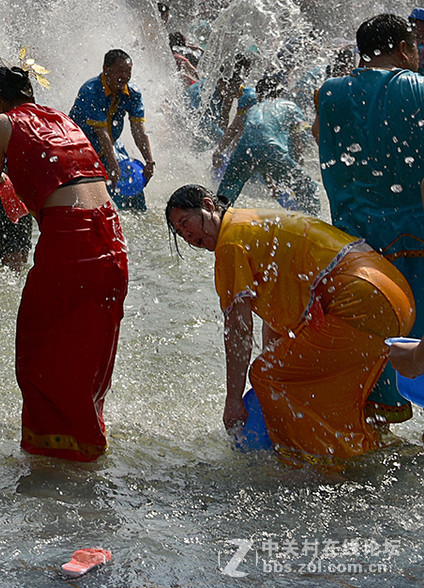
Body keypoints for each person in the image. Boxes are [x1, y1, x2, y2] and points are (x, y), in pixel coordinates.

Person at [166, 185, 414, 462]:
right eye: (180, 232)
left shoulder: (230, 244)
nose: (187, 236)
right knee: (305, 380)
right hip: (393, 295)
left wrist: (233, 400)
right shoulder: (248, 222)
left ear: (209, 206)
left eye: (186, 223)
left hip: (359, 302)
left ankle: (321, 465)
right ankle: (377, 449)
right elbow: (276, 322)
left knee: (266, 375)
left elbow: (238, 330)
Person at [0, 66, 127, 461]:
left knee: (35, 350)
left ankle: (53, 455)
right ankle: (86, 439)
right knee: (89, 350)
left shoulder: (0, 122)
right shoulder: (61, 118)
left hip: (72, 241)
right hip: (112, 237)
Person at [317, 14, 424, 421]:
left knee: (372, 347)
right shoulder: (418, 89)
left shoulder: (328, 93)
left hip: (355, 250)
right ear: (404, 49)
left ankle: (375, 432)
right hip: (415, 245)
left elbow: (321, 139)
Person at [215, 74, 320, 213]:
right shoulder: (289, 106)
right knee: (309, 188)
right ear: (280, 93)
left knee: (226, 192)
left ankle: (216, 219)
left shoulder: (251, 110)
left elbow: (255, 147)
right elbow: (297, 146)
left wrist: (271, 185)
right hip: (272, 151)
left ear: (258, 95)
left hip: (243, 151)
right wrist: (297, 172)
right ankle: (313, 225)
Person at [69, 49, 155, 211]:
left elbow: (138, 129)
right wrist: (113, 166)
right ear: (106, 69)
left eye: (128, 71)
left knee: (133, 196)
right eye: (120, 71)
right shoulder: (91, 90)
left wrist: (149, 161)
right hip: (81, 152)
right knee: (90, 205)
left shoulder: (132, 93)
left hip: (111, 146)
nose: (125, 76)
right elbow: (101, 133)